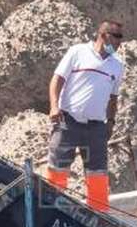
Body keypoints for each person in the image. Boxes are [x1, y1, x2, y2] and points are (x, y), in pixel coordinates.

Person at [46, 20, 125, 212]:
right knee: (58, 168)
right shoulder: (78, 52)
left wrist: (111, 122)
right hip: (68, 121)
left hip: (96, 127)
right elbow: (57, 79)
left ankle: (99, 215)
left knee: (97, 173)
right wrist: (54, 107)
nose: (120, 42)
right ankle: (50, 209)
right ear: (104, 35)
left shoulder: (117, 65)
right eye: (117, 37)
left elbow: (113, 97)